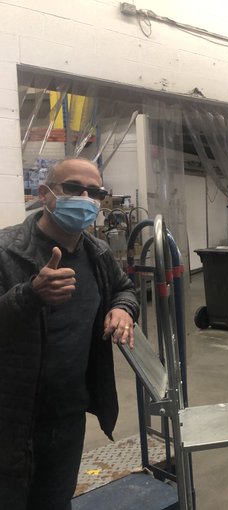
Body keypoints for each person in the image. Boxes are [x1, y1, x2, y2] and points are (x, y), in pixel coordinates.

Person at [0, 158, 139, 510]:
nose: (85, 199)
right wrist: (31, 294)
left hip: (67, 415)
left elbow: (124, 288)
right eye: (73, 188)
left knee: (55, 500)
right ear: (44, 194)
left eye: (95, 192)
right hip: (12, 417)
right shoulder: (5, 251)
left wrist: (122, 308)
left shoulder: (97, 254)